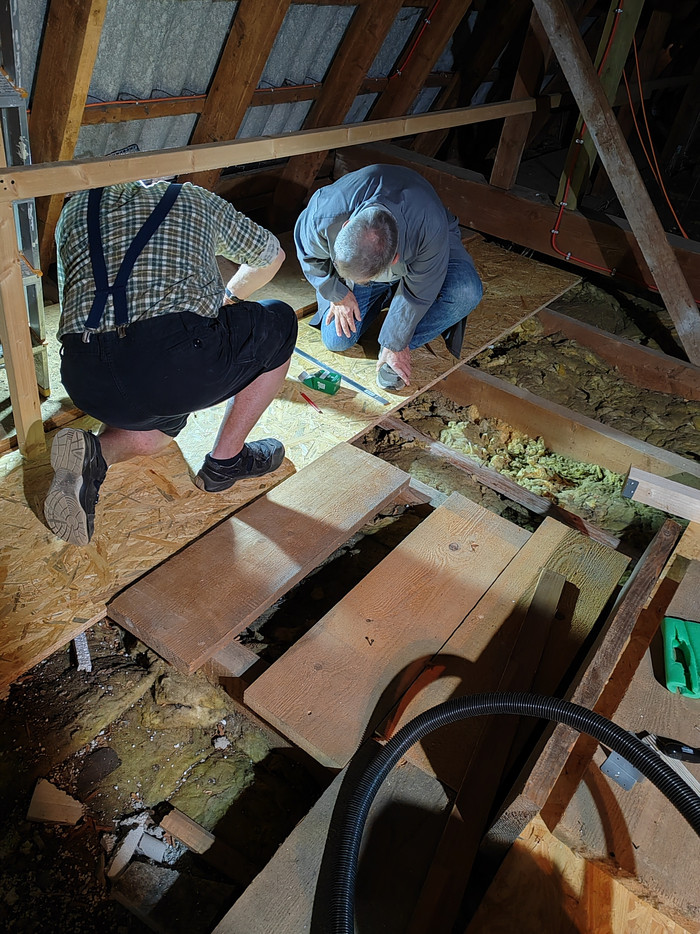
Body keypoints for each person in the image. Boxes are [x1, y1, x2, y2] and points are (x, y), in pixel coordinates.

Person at [44, 179, 297, 547]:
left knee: (164, 418)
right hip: (172, 362)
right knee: (279, 319)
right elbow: (272, 256)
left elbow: (72, 294)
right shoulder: (191, 196)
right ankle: (226, 462)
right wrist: (228, 296)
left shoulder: (75, 208)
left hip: (85, 375)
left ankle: (97, 454)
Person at [294, 163, 483, 392]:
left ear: (395, 260)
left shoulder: (428, 228)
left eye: (366, 279)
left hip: (429, 246)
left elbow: (419, 292)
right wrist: (338, 294)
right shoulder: (325, 212)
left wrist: (395, 341)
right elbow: (308, 254)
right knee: (337, 339)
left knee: (465, 291)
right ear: (346, 225)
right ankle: (387, 302)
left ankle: (394, 346)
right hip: (376, 255)